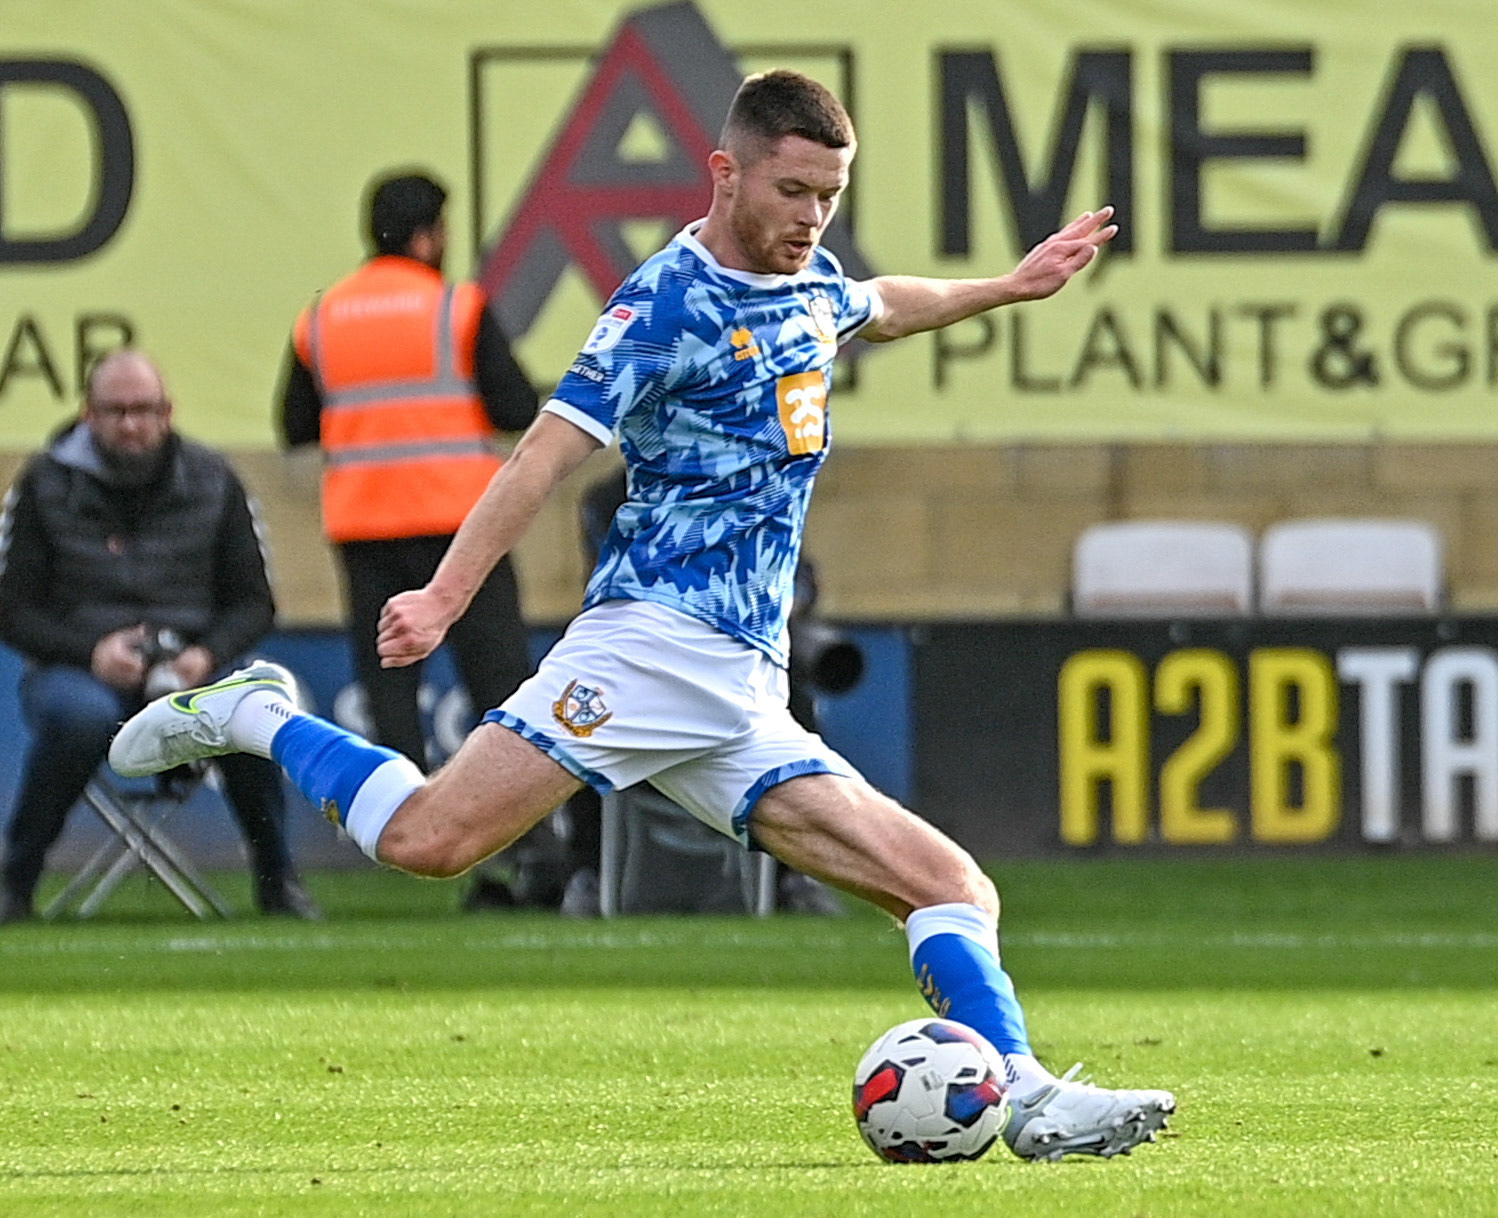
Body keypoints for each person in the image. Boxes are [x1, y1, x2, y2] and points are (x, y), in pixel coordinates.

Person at [113, 71, 1173, 1158]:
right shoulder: (662, 307)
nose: (812, 217)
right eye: (793, 191)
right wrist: (444, 595)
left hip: (742, 688)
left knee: (949, 887)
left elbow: (884, 304)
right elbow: (542, 456)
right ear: (725, 173)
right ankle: (257, 714)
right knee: (429, 840)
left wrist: (1008, 286)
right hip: (649, 647)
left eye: (830, 195)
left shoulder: (810, 283)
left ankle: (1026, 1098)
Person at [0, 350, 318, 922]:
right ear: (88, 414)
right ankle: (14, 883)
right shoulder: (43, 483)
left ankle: (279, 882)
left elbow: (255, 603)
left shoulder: (215, 479)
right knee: (80, 717)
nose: (130, 425)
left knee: (250, 710)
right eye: (115, 411)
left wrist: (206, 654)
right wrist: (91, 654)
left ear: (167, 412)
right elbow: (12, 609)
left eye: (143, 410)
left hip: (192, 669)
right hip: (79, 670)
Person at [276, 170, 538, 774]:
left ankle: (396, 814)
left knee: (390, 693)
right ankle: (520, 819)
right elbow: (516, 408)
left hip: (366, 532)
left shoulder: (322, 317)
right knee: (500, 685)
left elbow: (294, 424)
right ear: (425, 237)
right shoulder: (456, 307)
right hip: (462, 528)